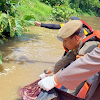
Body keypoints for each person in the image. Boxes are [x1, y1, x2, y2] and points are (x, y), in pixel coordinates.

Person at [38, 20, 100, 96]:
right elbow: (65, 59)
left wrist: (66, 95)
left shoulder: (87, 49)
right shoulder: (80, 43)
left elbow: (79, 72)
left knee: (91, 93)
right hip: (90, 67)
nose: (64, 44)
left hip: (94, 72)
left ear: (76, 38)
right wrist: (47, 72)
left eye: (65, 41)